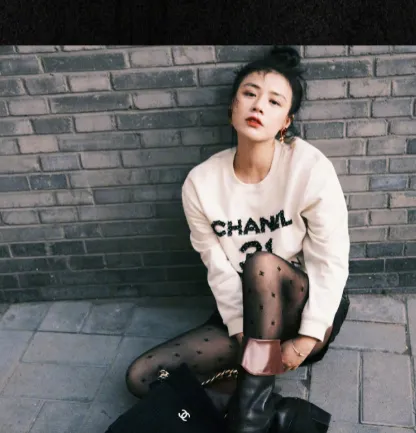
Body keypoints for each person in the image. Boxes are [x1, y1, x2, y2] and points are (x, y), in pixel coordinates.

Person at [124, 46, 351, 432]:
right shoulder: (201, 183)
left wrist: (307, 338)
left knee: (262, 263)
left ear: (285, 121)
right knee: (143, 377)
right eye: (249, 94)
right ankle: (278, 414)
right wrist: (241, 331)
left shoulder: (309, 167)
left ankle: (248, 420)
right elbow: (217, 267)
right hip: (248, 317)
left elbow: (330, 259)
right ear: (233, 107)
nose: (259, 105)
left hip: (305, 311)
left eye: (274, 101)